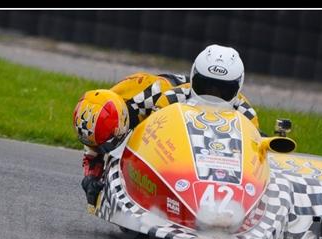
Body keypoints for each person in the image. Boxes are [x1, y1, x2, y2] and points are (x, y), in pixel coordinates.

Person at [73, 44, 259, 206]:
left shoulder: (246, 113)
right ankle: (105, 178)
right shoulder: (163, 94)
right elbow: (107, 125)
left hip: (215, 170)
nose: (212, 94)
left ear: (237, 88)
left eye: (223, 90)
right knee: (106, 116)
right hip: (166, 158)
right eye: (206, 85)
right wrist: (93, 172)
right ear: (195, 77)